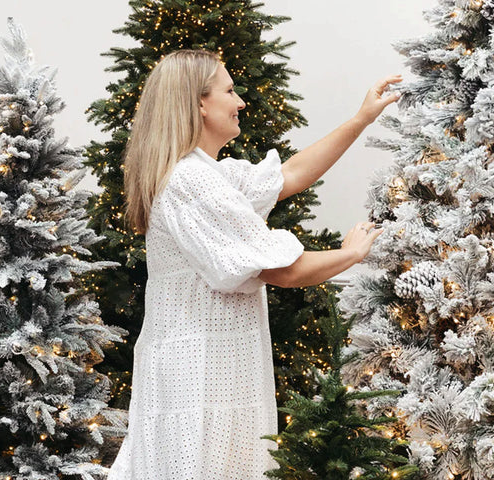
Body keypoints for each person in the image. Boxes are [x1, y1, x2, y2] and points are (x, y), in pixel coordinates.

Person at [107, 49, 401, 480]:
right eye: (229, 91)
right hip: (200, 373)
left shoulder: (208, 174)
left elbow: (291, 175)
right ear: (199, 103)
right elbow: (282, 270)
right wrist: (352, 254)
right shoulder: (190, 181)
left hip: (213, 369)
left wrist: (360, 119)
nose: (241, 101)